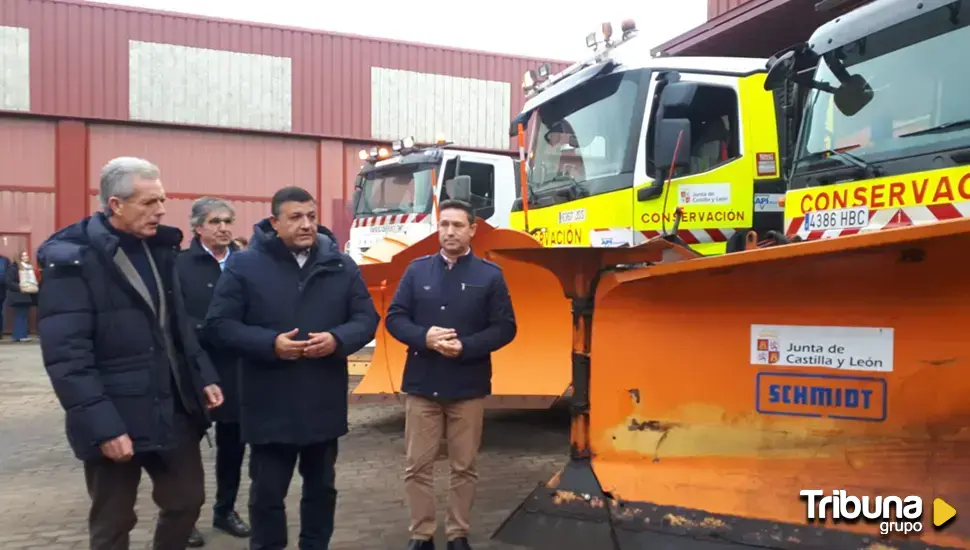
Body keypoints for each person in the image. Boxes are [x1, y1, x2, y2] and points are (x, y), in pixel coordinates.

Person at [35, 156, 225, 550]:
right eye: (148, 202)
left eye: (162, 200)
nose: (160, 210)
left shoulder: (159, 248)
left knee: (187, 500)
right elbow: (67, 357)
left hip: (171, 407)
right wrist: (104, 427)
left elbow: (178, 325)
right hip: (115, 412)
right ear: (115, 205)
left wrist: (201, 374)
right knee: (113, 520)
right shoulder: (72, 258)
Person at [203, 185, 380, 550]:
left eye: (311, 217)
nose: (306, 225)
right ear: (274, 222)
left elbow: (366, 319)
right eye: (296, 217)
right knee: (267, 494)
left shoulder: (340, 265)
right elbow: (220, 325)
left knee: (321, 489)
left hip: (322, 401)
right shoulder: (245, 265)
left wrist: (336, 339)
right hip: (269, 403)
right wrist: (270, 345)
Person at [384, 199, 517, 550]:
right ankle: (421, 534)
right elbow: (395, 317)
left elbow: (505, 328)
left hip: (467, 384)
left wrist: (468, 347)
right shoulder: (416, 271)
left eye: (458, 225)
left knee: (464, 466)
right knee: (417, 466)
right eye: (444, 224)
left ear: (472, 229)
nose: (449, 232)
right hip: (423, 383)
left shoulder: (489, 275)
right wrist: (424, 337)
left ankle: (458, 533)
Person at [176, 197, 251, 548]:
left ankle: (226, 509)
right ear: (197, 227)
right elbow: (173, 317)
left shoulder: (245, 263)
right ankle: (184, 518)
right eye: (215, 221)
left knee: (233, 444)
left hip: (236, 365)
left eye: (228, 220)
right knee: (186, 446)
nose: (223, 227)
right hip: (195, 366)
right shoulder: (180, 265)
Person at [5, 250, 40, 342]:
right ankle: (19, 335)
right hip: (18, 295)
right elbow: (9, 282)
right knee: (20, 315)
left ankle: (20, 335)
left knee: (23, 315)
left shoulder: (29, 267)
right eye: (23, 256)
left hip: (27, 294)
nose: (26, 257)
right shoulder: (13, 268)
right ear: (18, 258)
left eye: (26, 255)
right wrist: (20, 288)